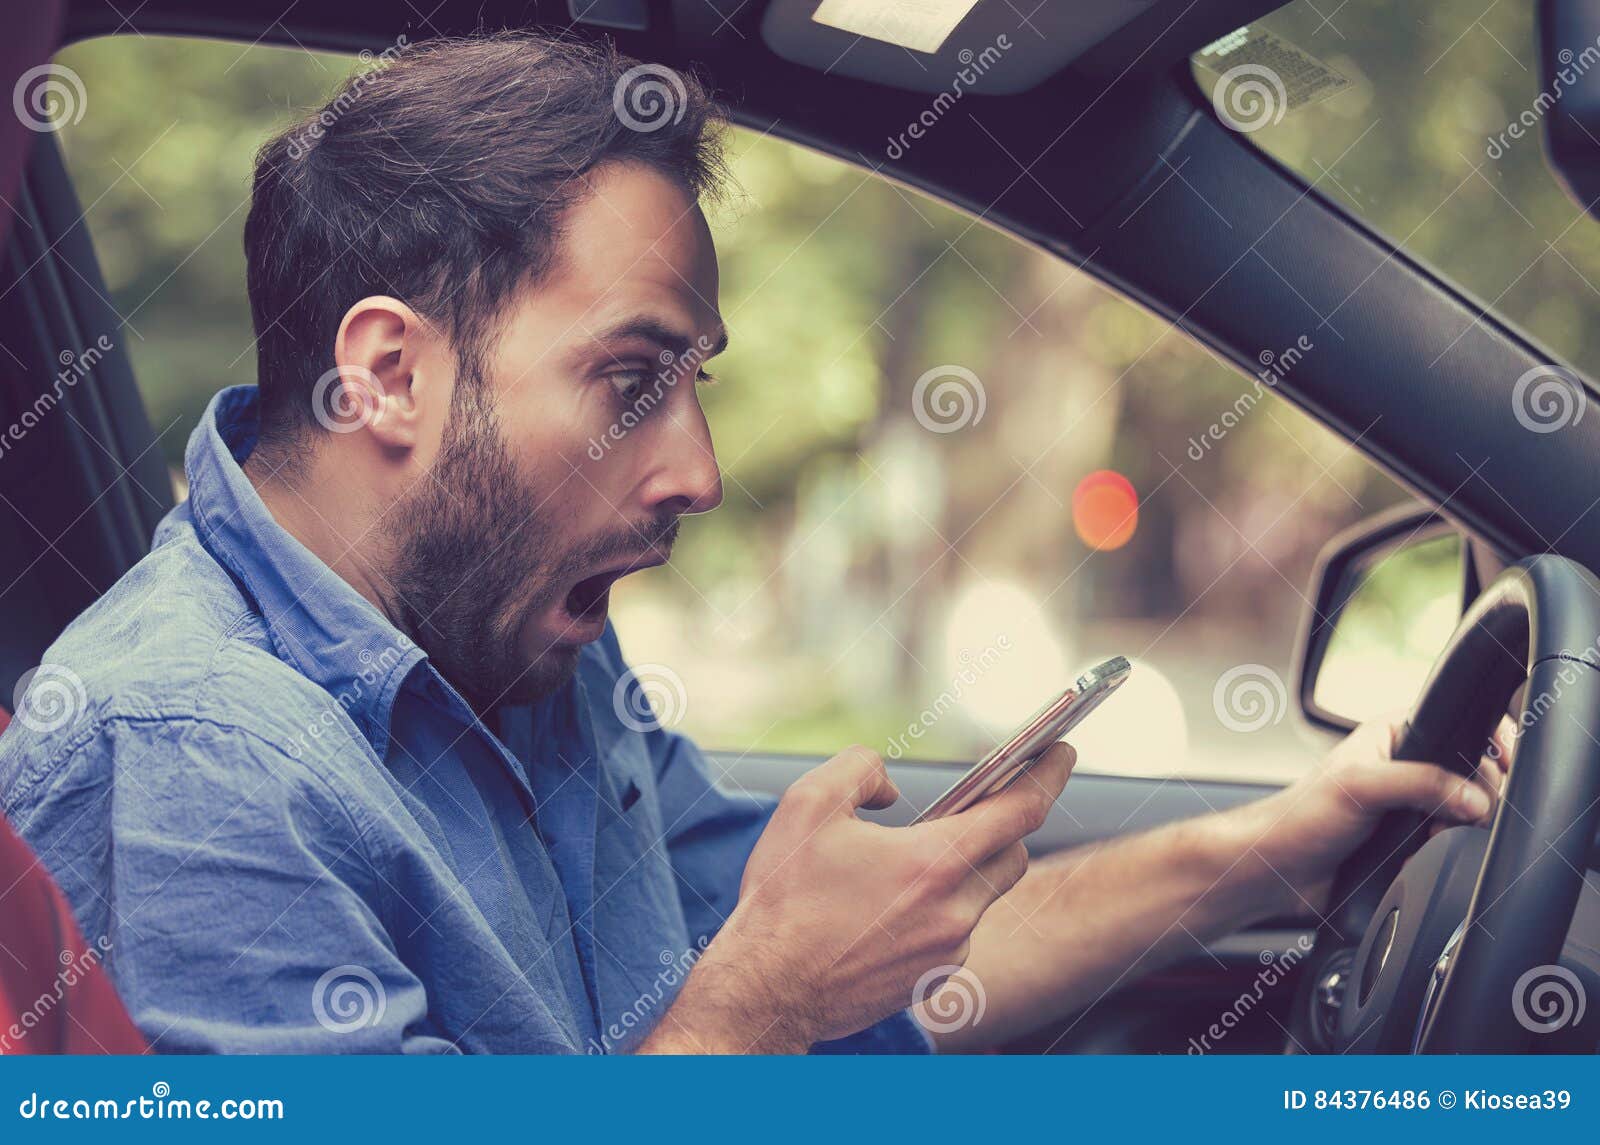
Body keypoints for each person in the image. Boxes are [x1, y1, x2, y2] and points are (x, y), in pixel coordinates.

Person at [0, 32, 1502, 1054]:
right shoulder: (184, 757)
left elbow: (885, 979)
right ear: (388, 372)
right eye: (630, 379)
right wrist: (763, 1005)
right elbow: (772, 992)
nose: (700, 469)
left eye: (694, 386)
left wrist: (1267, 850)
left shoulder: (519, 637)